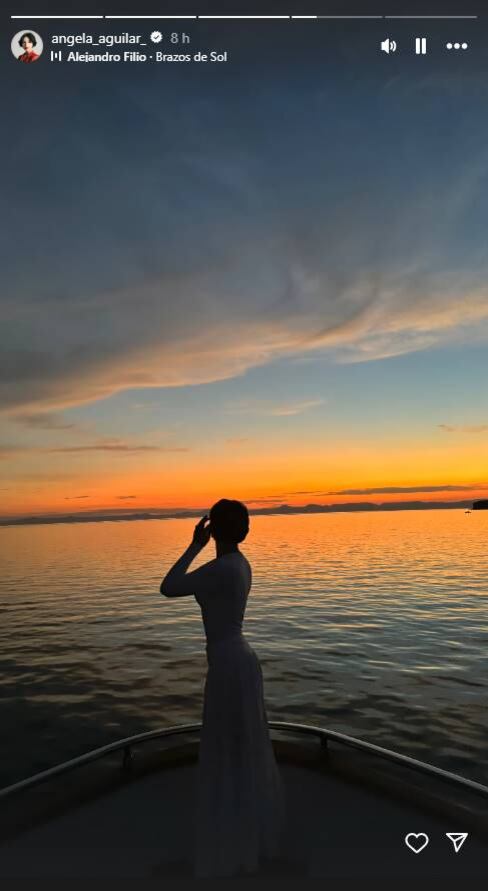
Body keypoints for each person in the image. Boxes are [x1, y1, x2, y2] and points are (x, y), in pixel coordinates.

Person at [160, 498, 287, 877]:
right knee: (242, 745)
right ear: (243, 530)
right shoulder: (240, 565)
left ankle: (232, 845)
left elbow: (168, 587)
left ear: (213, 529)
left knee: (227, 747)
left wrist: (195, 545)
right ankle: (247, 838)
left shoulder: (220, 569)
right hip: (240, 660)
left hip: (230, 667)